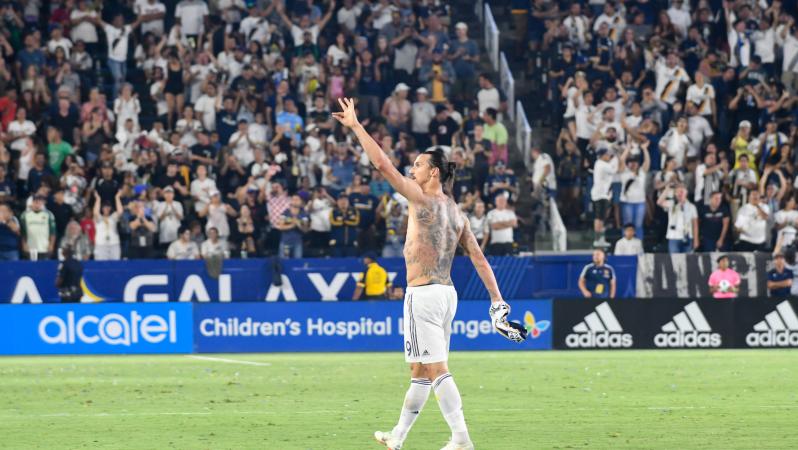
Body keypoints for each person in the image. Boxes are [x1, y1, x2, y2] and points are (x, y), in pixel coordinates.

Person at [333, 97, 524, 450]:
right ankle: (397, 437)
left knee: (436, 370)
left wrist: (357, 127)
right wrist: (497, 301)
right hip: (447, 296)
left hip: (422, 295)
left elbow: (381, 165)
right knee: (419, 371)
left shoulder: (420, 198)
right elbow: (480, 260)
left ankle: (462, 438)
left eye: (418, 165)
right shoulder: (456, 212)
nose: (412, 169)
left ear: (433, 171)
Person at [657, 185, 699, 253]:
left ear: (686, 193)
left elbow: (695, 224)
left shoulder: (692, 207)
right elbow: (659, 202)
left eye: (682, 191)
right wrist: (667, 190)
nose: (680, 193)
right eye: (678, 192)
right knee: (674, 260)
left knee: (688, 260)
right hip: (674, 237)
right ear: (675, 194)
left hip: (687, 236)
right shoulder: (671, 204)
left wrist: (696, 239)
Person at [20, 195, 57, 260]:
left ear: (42, 203)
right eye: (35, 202)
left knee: (44, 267)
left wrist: (51, 245)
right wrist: (24, 244)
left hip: (45, 247)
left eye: (39, 202)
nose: (37, 205)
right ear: (32, 203)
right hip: (30, 247)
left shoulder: (49, 215)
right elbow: (23, 232)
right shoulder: (24, 215)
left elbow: (53, 232)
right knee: (31, 267)